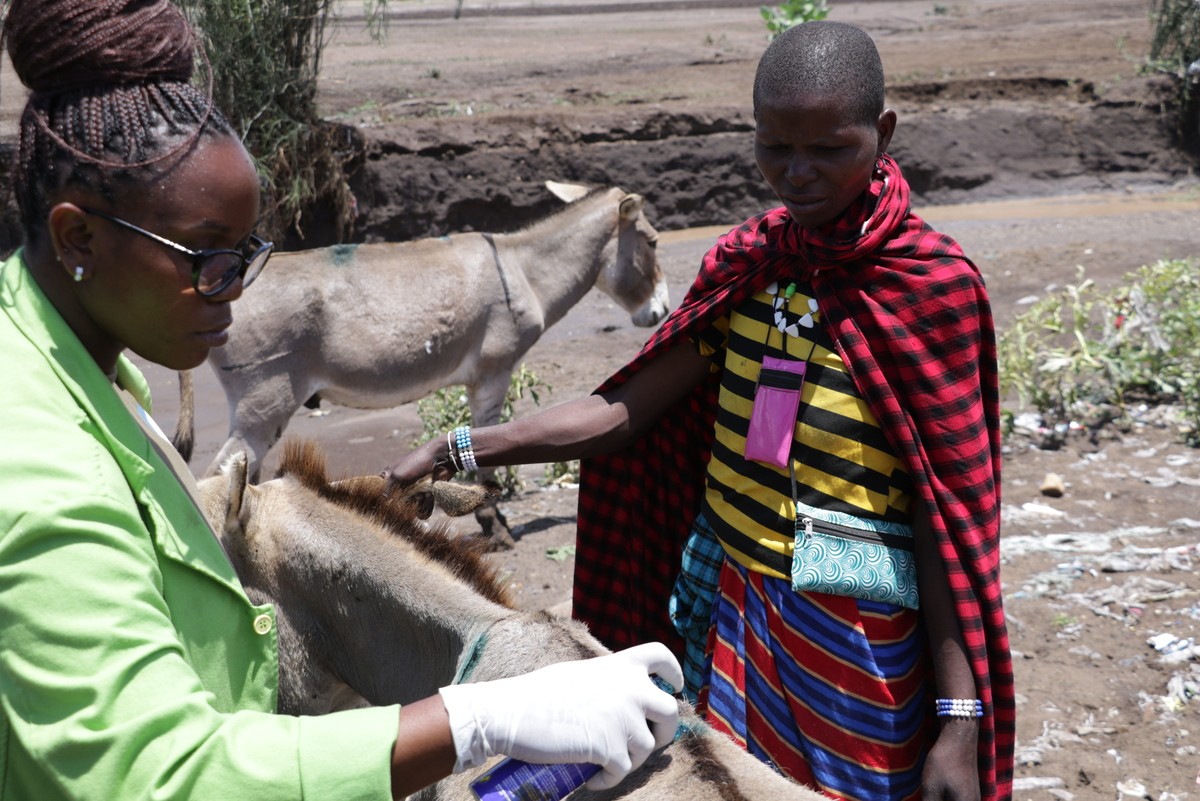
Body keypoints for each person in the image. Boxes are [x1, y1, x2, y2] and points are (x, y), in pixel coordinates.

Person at [0, 2, 683, 799]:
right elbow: (157, 775)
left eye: (247, 254)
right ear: (78, 237)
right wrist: (481, 718)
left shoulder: (80, 355)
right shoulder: (41, 470)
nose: (236, 292)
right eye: (209, 261)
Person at [384, 20, 1015, 801]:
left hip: (860, 641)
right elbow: (618, 412)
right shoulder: (749, 265)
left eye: (829, 149)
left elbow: (948, 519)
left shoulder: (930, 285)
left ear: (882, 134)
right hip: (731, 602)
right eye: (775, 147)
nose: (799, 173)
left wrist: (959, 720)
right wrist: (460, 446)